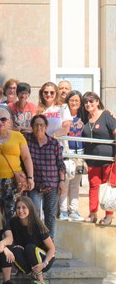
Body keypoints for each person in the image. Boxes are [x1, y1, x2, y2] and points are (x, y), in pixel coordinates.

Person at [0, 107, 35, 219]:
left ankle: (13, 236)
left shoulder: (18, 136)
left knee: (13, 213)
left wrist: (30, 177)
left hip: (13, 182)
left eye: (3, 119)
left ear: (9, 121)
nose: (0, 122)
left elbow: (26, 158)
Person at [26, 115, 66, 237]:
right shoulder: (26, 141)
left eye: (42, 125)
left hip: (52, 184)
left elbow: (60, 163)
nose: (39, 127)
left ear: (46, 127)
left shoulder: (54, 143)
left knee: (50, 215)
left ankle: (50, 245)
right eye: (36, 125)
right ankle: (36, 241)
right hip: (34, 184)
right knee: (34, 214)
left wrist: (62, 181)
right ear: (32, 127)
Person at [81, 92, 116, 225]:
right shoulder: (84, 117)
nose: (88, 104)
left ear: (97, 101)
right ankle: (93, 213)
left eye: (91, 101)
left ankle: (108, 216)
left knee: (109, 187)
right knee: (93, 186)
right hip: (92, 160)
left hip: (109, 160)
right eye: (86, 102)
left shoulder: (106, 115)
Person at [10, 196, 56, 284]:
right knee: (15, 250)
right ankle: (33, 277)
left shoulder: (37, 225)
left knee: (30, 247)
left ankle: (41, 281)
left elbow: (52, 248)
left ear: (30, 209)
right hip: (28, 256)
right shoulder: (13, 222)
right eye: (18, 208)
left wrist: (44, 263)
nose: (21, 210)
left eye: (24, 208)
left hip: (44, 258)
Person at [60, 90, 85, 221]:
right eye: (72, 100)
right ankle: (63, 210)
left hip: (79, 154)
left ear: (80, 103)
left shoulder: (83, 116)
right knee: (65, 183)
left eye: (77, 100)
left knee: (75, 184)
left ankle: (73, 210)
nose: (74, 103)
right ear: (68, 101)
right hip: (66, 153)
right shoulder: (63, 115)